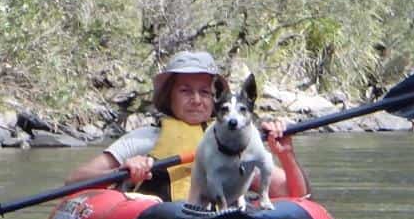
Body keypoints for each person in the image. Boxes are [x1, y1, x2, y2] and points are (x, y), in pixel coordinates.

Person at [65, 51, 311, 201]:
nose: (196, 99)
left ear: (215, 100)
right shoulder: (143, 139)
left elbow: (295, 195)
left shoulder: (236, 142)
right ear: (169, 97)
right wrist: (123, 170)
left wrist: (286, 156)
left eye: (204, 92)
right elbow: (74, 181)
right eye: (185, 91)